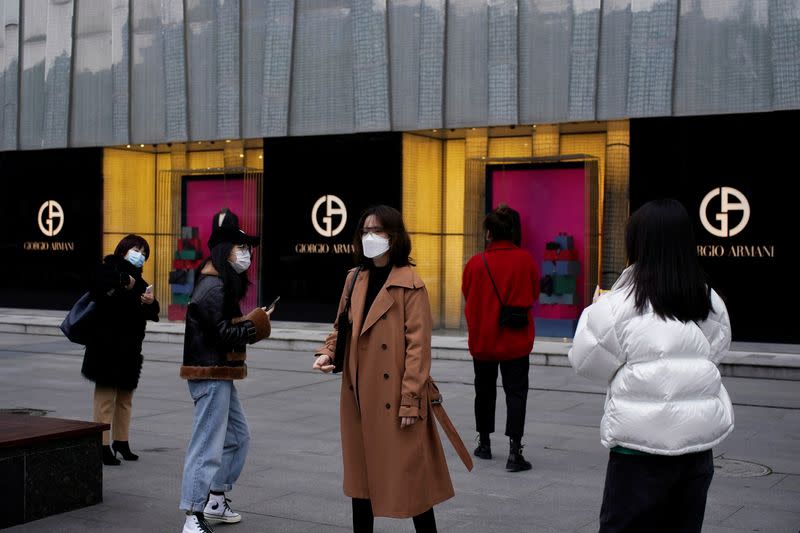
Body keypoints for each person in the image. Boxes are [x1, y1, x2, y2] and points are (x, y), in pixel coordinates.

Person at [568, 199, 734, 533]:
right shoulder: (708, 300)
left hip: (636, 453)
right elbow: (714, 353)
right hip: (697, 449)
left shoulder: (617, 305)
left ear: (636, 243)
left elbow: (586, 363)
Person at [312, 205, 454, 533]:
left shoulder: (411, 286)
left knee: (412, 481)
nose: (370, 237)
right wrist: (327, 352)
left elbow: (419, 350)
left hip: (395, 399)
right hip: (359, 397)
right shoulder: (354, 279)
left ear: (393, 237)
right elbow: (341, 328)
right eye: (365, 231)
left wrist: (409, 400)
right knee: (361, 484)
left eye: (377, 231)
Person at [179, 210, 272, 533]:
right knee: (206, 444)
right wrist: (254, 326)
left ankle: (215, 500)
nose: (246, 254)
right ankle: (193, 513)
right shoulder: (213, 286)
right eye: (240, 248)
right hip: (209, 374)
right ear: (224, 251)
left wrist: (251, 322)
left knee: (237, 437)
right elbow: (221, 333)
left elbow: (222, 328)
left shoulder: (219, 283)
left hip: (219, 373)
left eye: (247, 249)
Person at [461, 204, 540, 472]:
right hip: (515, 342)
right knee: (516, 394)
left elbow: (467, 294)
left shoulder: (475, 263)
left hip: (483, 341)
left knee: (483, 392)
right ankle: (514, 452)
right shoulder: (526, 260)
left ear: (489, 234)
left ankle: (484, 444)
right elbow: (533, 294)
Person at [81, 234, 159, 466]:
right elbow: (99, 289)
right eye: (136, 249)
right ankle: (102, 445)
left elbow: (153, 311)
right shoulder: (108, 269)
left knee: (125, 398)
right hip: (106, 347)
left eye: (144, 252)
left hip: (130, 348)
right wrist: (126, 282)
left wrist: (149, 302)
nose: (140, 255)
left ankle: (121, 442)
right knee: (105, 399)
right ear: (123, 250)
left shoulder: (141, 281)